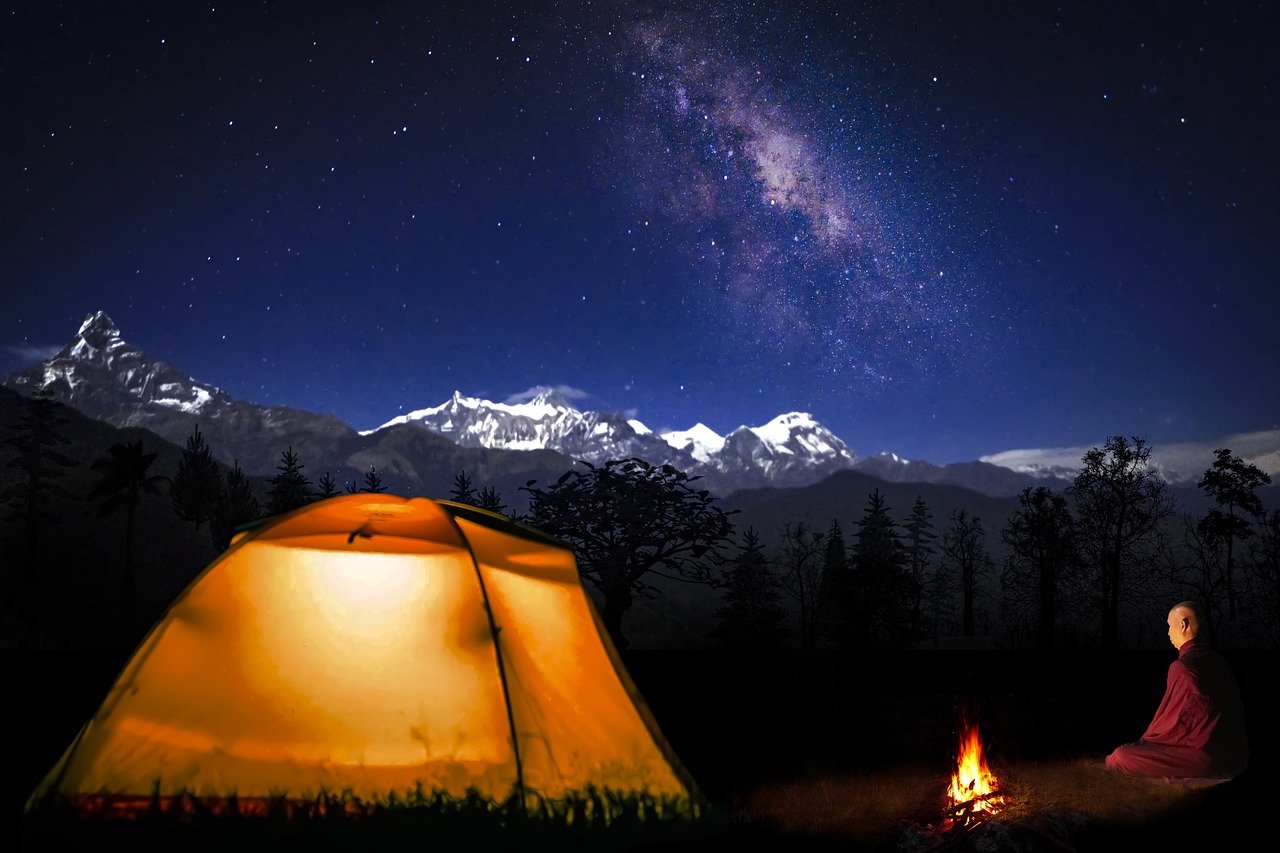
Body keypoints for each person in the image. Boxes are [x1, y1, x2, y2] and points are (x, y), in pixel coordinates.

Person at [1104, 600, 1249, 780]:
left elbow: (1172, 726)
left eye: (1169, 626)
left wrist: (1145, 743)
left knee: (1121, 756)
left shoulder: (1182, 666)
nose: (1168, 633)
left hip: (1204, 759)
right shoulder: (1219, 661)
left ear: (1182, 625)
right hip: (1235, 756)